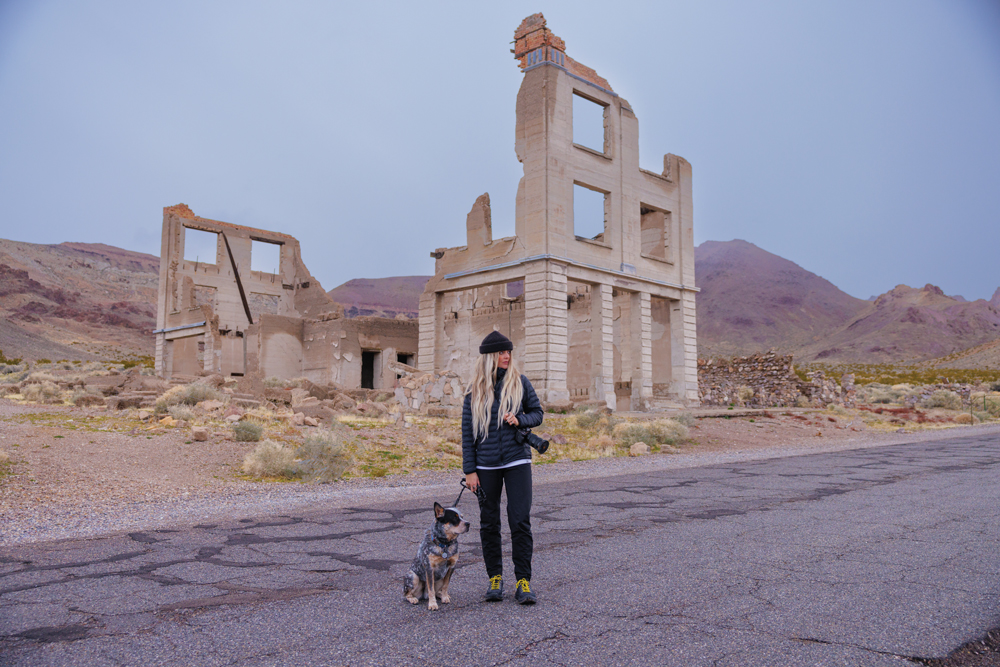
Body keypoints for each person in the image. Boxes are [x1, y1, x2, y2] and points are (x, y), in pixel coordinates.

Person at [462, 330, 544, 605]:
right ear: (489, 358)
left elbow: (538, 414)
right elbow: (466, 434)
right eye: (501, 352)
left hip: (518, 461)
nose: (507, 356)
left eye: (508, 351)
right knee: (489, 522)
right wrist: (469, 471)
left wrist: (520, 419)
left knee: (519, 520)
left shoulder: (520, 383)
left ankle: (523, 581)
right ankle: (494, 579)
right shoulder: (474, 392)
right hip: (485, 466)